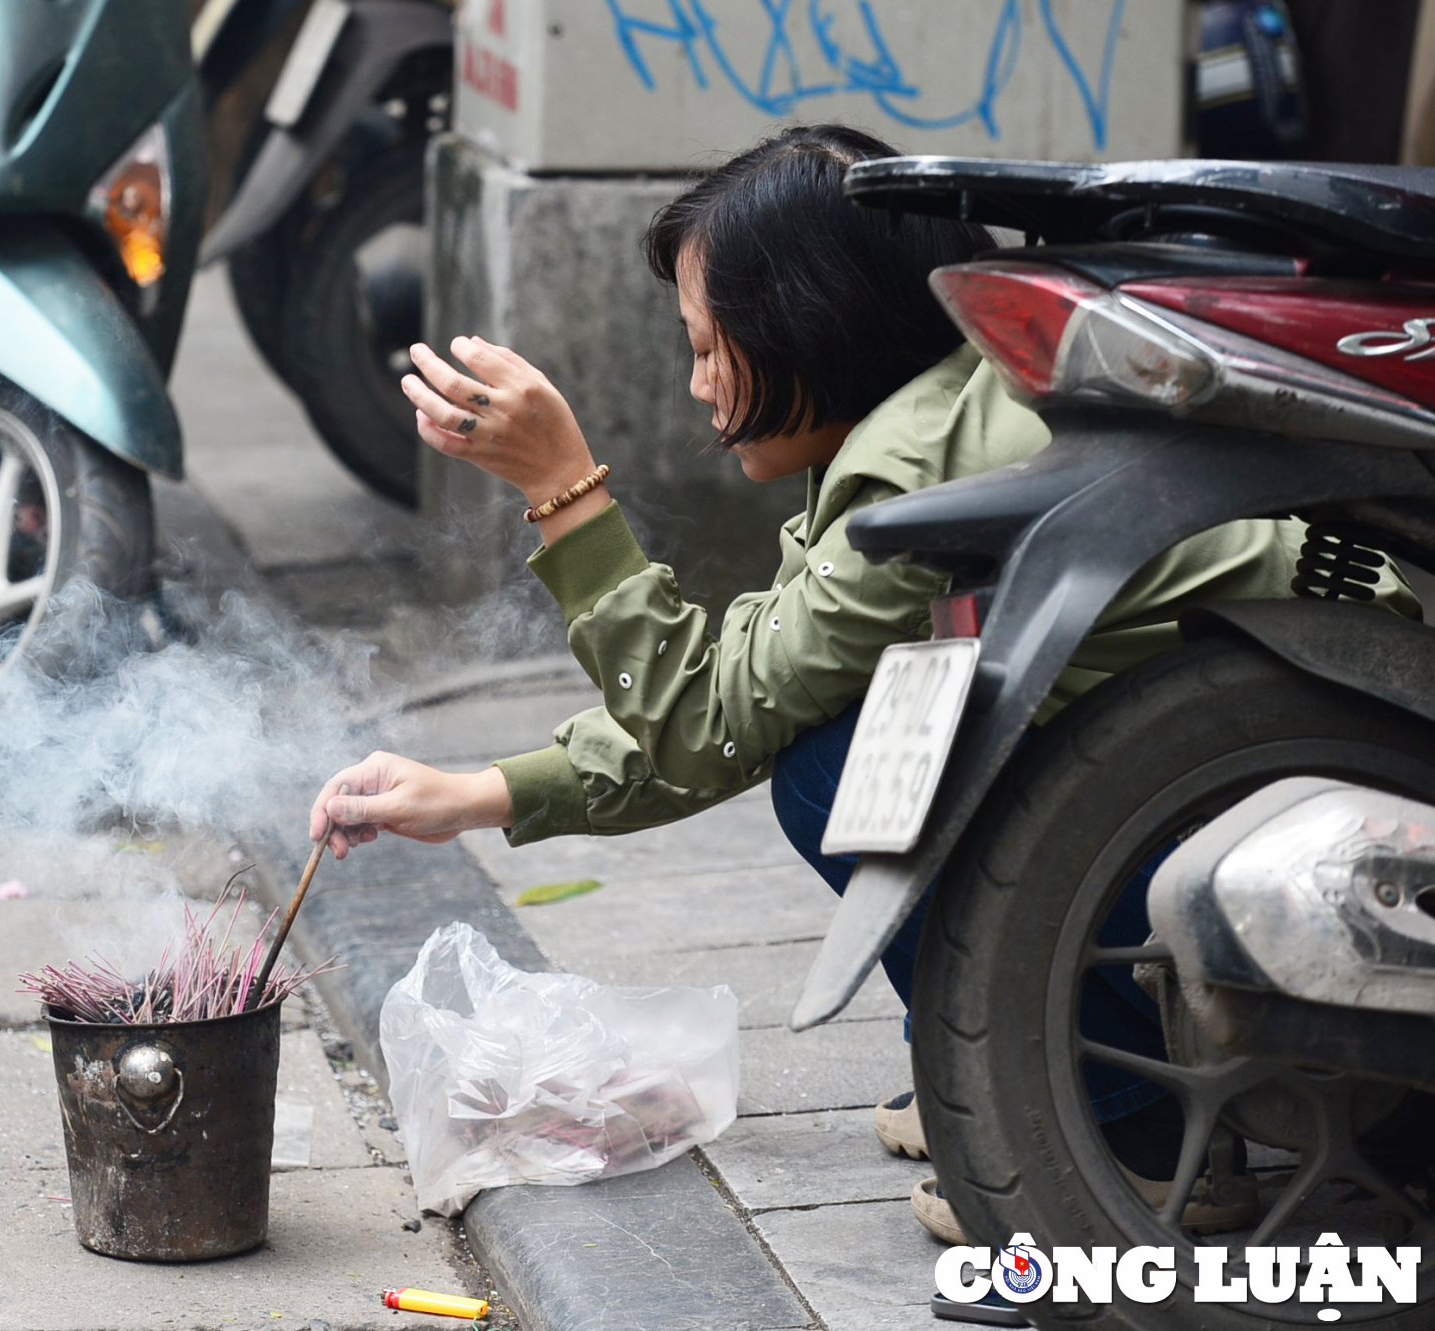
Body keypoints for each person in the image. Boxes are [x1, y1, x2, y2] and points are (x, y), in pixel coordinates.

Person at [305, 124, 1406, 1242]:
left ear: (808, 327)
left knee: (847, 771)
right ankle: (1020, 1054)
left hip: (1308, 815)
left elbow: (709, 723)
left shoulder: (923, 470)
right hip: (1261, 781)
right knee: (865, 733)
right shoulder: (938, 416)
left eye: (706, 346)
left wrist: (563, 490)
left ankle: (1131, 1135)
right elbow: (749, 683)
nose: (692, 384)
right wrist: (476, 791)